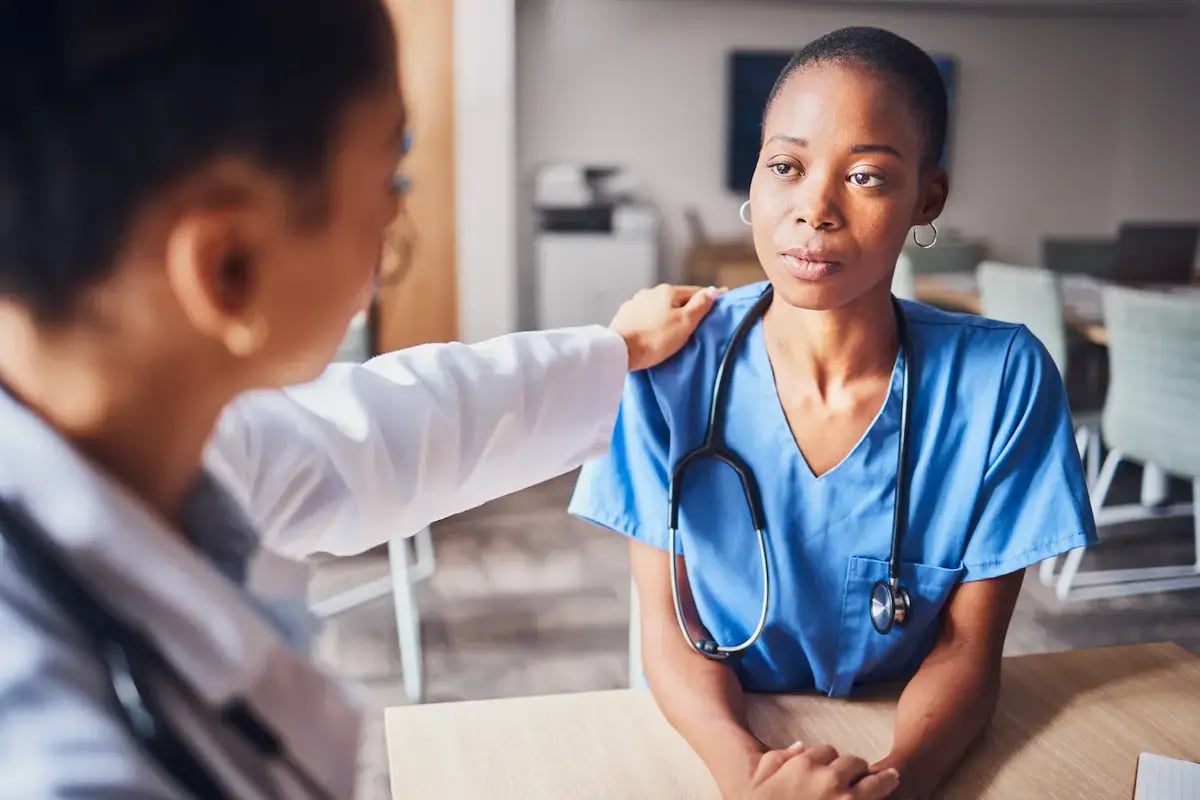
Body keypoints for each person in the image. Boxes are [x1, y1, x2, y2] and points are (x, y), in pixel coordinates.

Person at [0, 2, 730, 798]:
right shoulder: (56, 755)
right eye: (389, 179)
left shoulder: (153, 435)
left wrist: (614, 354)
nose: (394, 224)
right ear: (228, 266)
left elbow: (378, 428)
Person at [570, 26, 1097, 800]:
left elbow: (965, 652)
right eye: (786, 166)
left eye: (868, 178)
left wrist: (891, 786)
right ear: (756, 177)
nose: (814, 209)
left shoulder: (1002, 381)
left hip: (907, 729)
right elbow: (669, 631)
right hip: (724, 723)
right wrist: (745, 778)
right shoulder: (665, 366)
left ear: (928, 198)